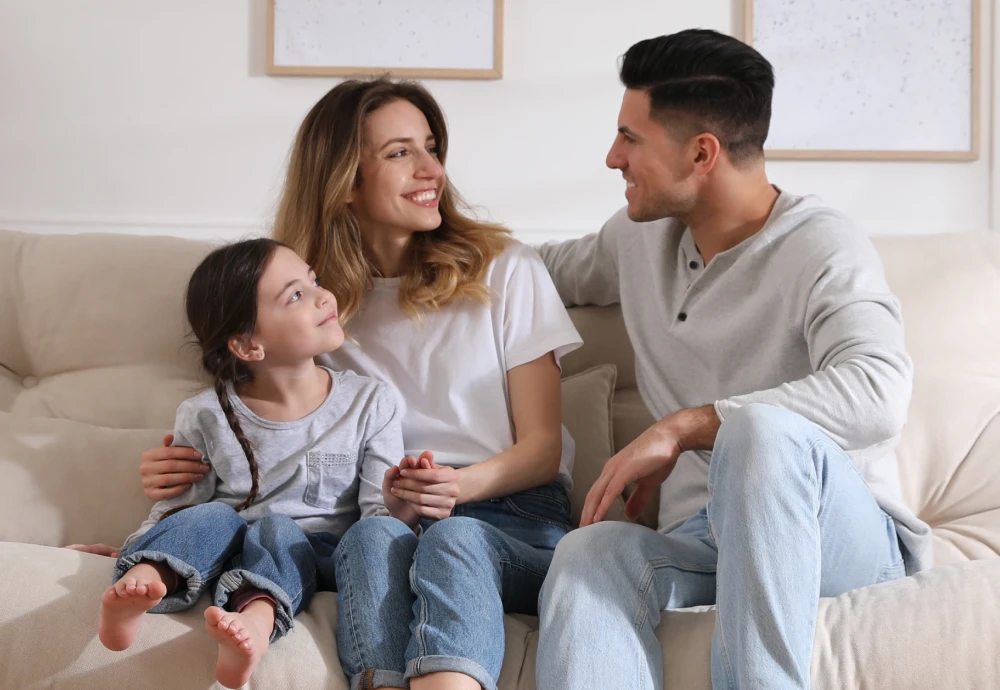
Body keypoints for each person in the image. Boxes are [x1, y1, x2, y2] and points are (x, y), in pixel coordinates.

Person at [136, 78, 582, 690]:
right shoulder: (310, 307)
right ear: (346, 180)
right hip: (374, 518)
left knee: (450, 538)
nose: (433, 170)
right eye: (401, 153)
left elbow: (543, 449)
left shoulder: (506, 269)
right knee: (362, 538)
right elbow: (249, 413)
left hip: (511, 512)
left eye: (432, 147)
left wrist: (455, 488)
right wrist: (176, 478)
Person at [532, 29, 932, 690]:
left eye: (630, 138)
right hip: (706, 540)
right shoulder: (637, 240)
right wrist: (399, 244)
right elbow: (533, 273)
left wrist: (686, 426)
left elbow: (877, 393)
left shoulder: (824, 247)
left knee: (757, 430)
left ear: (701, 153)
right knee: (588, 552)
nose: (611, 158)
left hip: (837, 539)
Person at [69, 238, 407, 689]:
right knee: (210, 514)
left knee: (276, 530)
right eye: (296, 295)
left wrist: (407, 503)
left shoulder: (370, 401)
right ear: (248, 345)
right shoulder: (204, 414)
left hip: (324, 553)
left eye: (314, 281)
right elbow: (177, 507)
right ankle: (145, 580)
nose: (324, 295)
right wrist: (138, 543)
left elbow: (377, 517)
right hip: (232, 547)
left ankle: (256, 621)